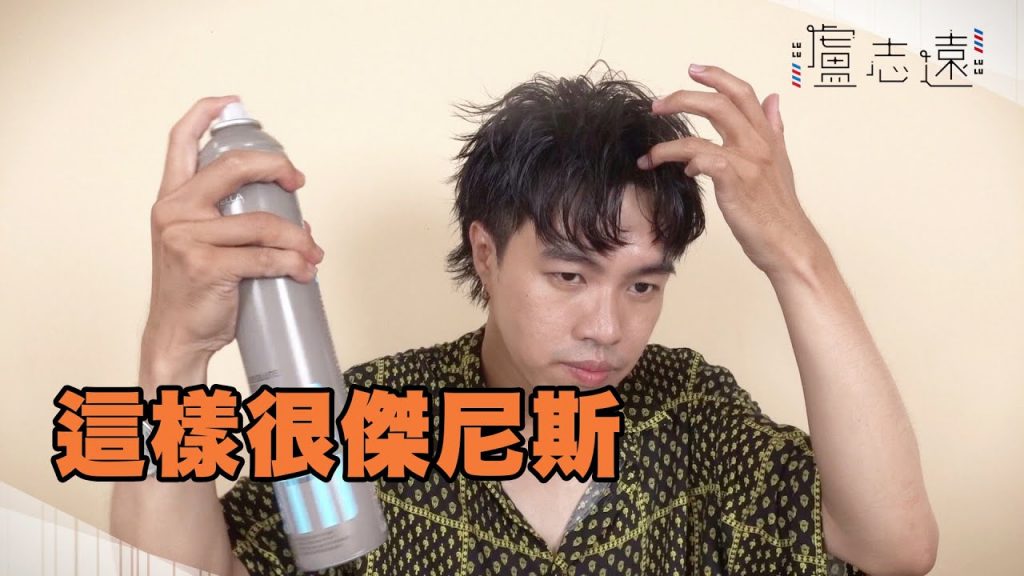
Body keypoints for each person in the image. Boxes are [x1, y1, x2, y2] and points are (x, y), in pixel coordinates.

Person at [111, 62, 938, 576]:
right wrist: (174, 350)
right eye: (569, 275)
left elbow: (895, 548)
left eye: (642, 287)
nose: (606, 328)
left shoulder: (693, 412)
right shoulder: (365, 418)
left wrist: (795, 253)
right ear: (486, 253)